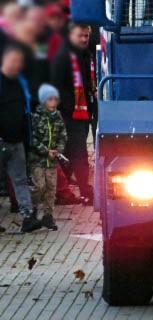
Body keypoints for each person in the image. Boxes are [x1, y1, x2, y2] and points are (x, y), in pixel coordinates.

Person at [49, 22, 96, 204]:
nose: (84, 39)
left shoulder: (83, 54)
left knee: (70, 152)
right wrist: (67, 108)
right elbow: (56, 87)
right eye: (80, 36)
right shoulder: (63, 58)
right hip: (71, 114)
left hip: (80, 112)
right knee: (79, 152)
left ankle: (63, 191)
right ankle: (84, 190)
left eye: (86, 35)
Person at [0, 47, 42, 233]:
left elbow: (27, 104)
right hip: (3, 139)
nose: (18, 66)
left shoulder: (20, 82)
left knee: (21, 180)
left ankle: (27, 217)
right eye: (14, 62)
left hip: (17, 140)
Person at [29, 83, 66, 231]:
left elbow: (63, 135)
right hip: (38, 159)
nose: (53, 102)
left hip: (51, 161)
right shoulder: (36, 117)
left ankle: (48, 215)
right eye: (50, 99)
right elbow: (32, 139)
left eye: (55, 99)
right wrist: (45, 151)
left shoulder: (57, 117)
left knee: (51, 188)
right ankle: (32, 211)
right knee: (39, 186)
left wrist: (58, 150)